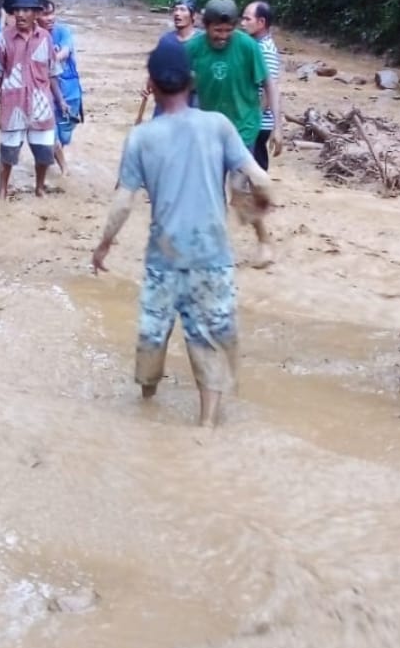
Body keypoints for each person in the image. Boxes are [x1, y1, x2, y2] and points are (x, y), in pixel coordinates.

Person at [92, 40, 273, 427]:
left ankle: (146, 402)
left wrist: (103, 247)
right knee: (208, 339)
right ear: (193, 82)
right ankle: (206, 427)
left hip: (165, 257)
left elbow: (123, 204)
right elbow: (259, 179)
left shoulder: (141, 138)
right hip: (212, 256)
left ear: (152, 85)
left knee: (153, 334)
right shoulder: (218, 126)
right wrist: (256, 209)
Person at [186, 0, 278, 267]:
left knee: (238, 188)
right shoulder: (192, 48)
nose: (223, 36)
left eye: (228, 31)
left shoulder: (248, 47)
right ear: (206, 26)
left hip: (243, 128)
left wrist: (277, 127)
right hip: (209, 129)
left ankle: (263, 242)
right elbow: (177, 84)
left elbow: (270, 85)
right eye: (218, 31)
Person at [0, 0, 56, 199]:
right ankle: (2, 189)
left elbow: (53, 72)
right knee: (8, 150)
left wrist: (61, 102)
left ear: (36, 14)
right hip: (13, 102)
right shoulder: (4, 38)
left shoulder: (45, 38)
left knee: (44, 152)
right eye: (17, 10)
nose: (20, 14)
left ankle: (40, 187)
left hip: (41, 102)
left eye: (26, 10)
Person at [136, 0, 199, 124]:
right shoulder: (166, 40)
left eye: (182, 10)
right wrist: (149, 82)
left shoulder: (202, 41)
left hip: (194, 97)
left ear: (194, 16)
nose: (177, 14)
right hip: (168, 93)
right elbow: (159, 66)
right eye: (175, 10)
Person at [40, 0, 84, 175]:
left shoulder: (64, 32)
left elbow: (65, 51)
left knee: (64, 136)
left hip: (70, 91)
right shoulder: (34, 36)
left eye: (52, 13)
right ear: (36, 16)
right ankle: (64, 169)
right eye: (45, 14)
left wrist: (49, 59)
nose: (50, 18)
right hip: (45, 93)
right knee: (50, 134)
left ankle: (57, 155)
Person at [240, 0, 284, 170]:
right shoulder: (254, 45)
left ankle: (260, 197)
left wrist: (250, 119)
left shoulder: (264, 50)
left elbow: (268, 90)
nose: (242, 24)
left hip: (257, 123)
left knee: (254, 171)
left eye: (247, 19)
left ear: (261, 22)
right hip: (254, 121)